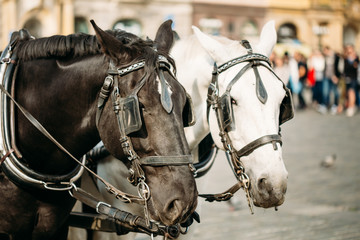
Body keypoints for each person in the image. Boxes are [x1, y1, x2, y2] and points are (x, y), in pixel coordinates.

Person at [323, 46, 340, 115]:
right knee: (326, 92)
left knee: (335, 92)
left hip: (334, 77)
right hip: (326, 77)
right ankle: (326, 105)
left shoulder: (336, 57)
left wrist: (337, 76)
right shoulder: (325, 58)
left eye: (325, 51)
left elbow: (338, 68)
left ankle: (335, 105)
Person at [308, 49, 326, 113]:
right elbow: (310, 67)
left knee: (320, 91)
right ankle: (316, 102)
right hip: (314, 78)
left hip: (320, 78)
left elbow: (320, 67)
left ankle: (320, 103)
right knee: (314, 91)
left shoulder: (322, 59)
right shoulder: (313, 59)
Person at [343, 44, 359, 117]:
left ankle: (351, 107)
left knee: (351, 92)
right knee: (348, 93)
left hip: (354, 78)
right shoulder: (345, 59)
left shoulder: (356, 58)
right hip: (347, 78)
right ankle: (352, 105)